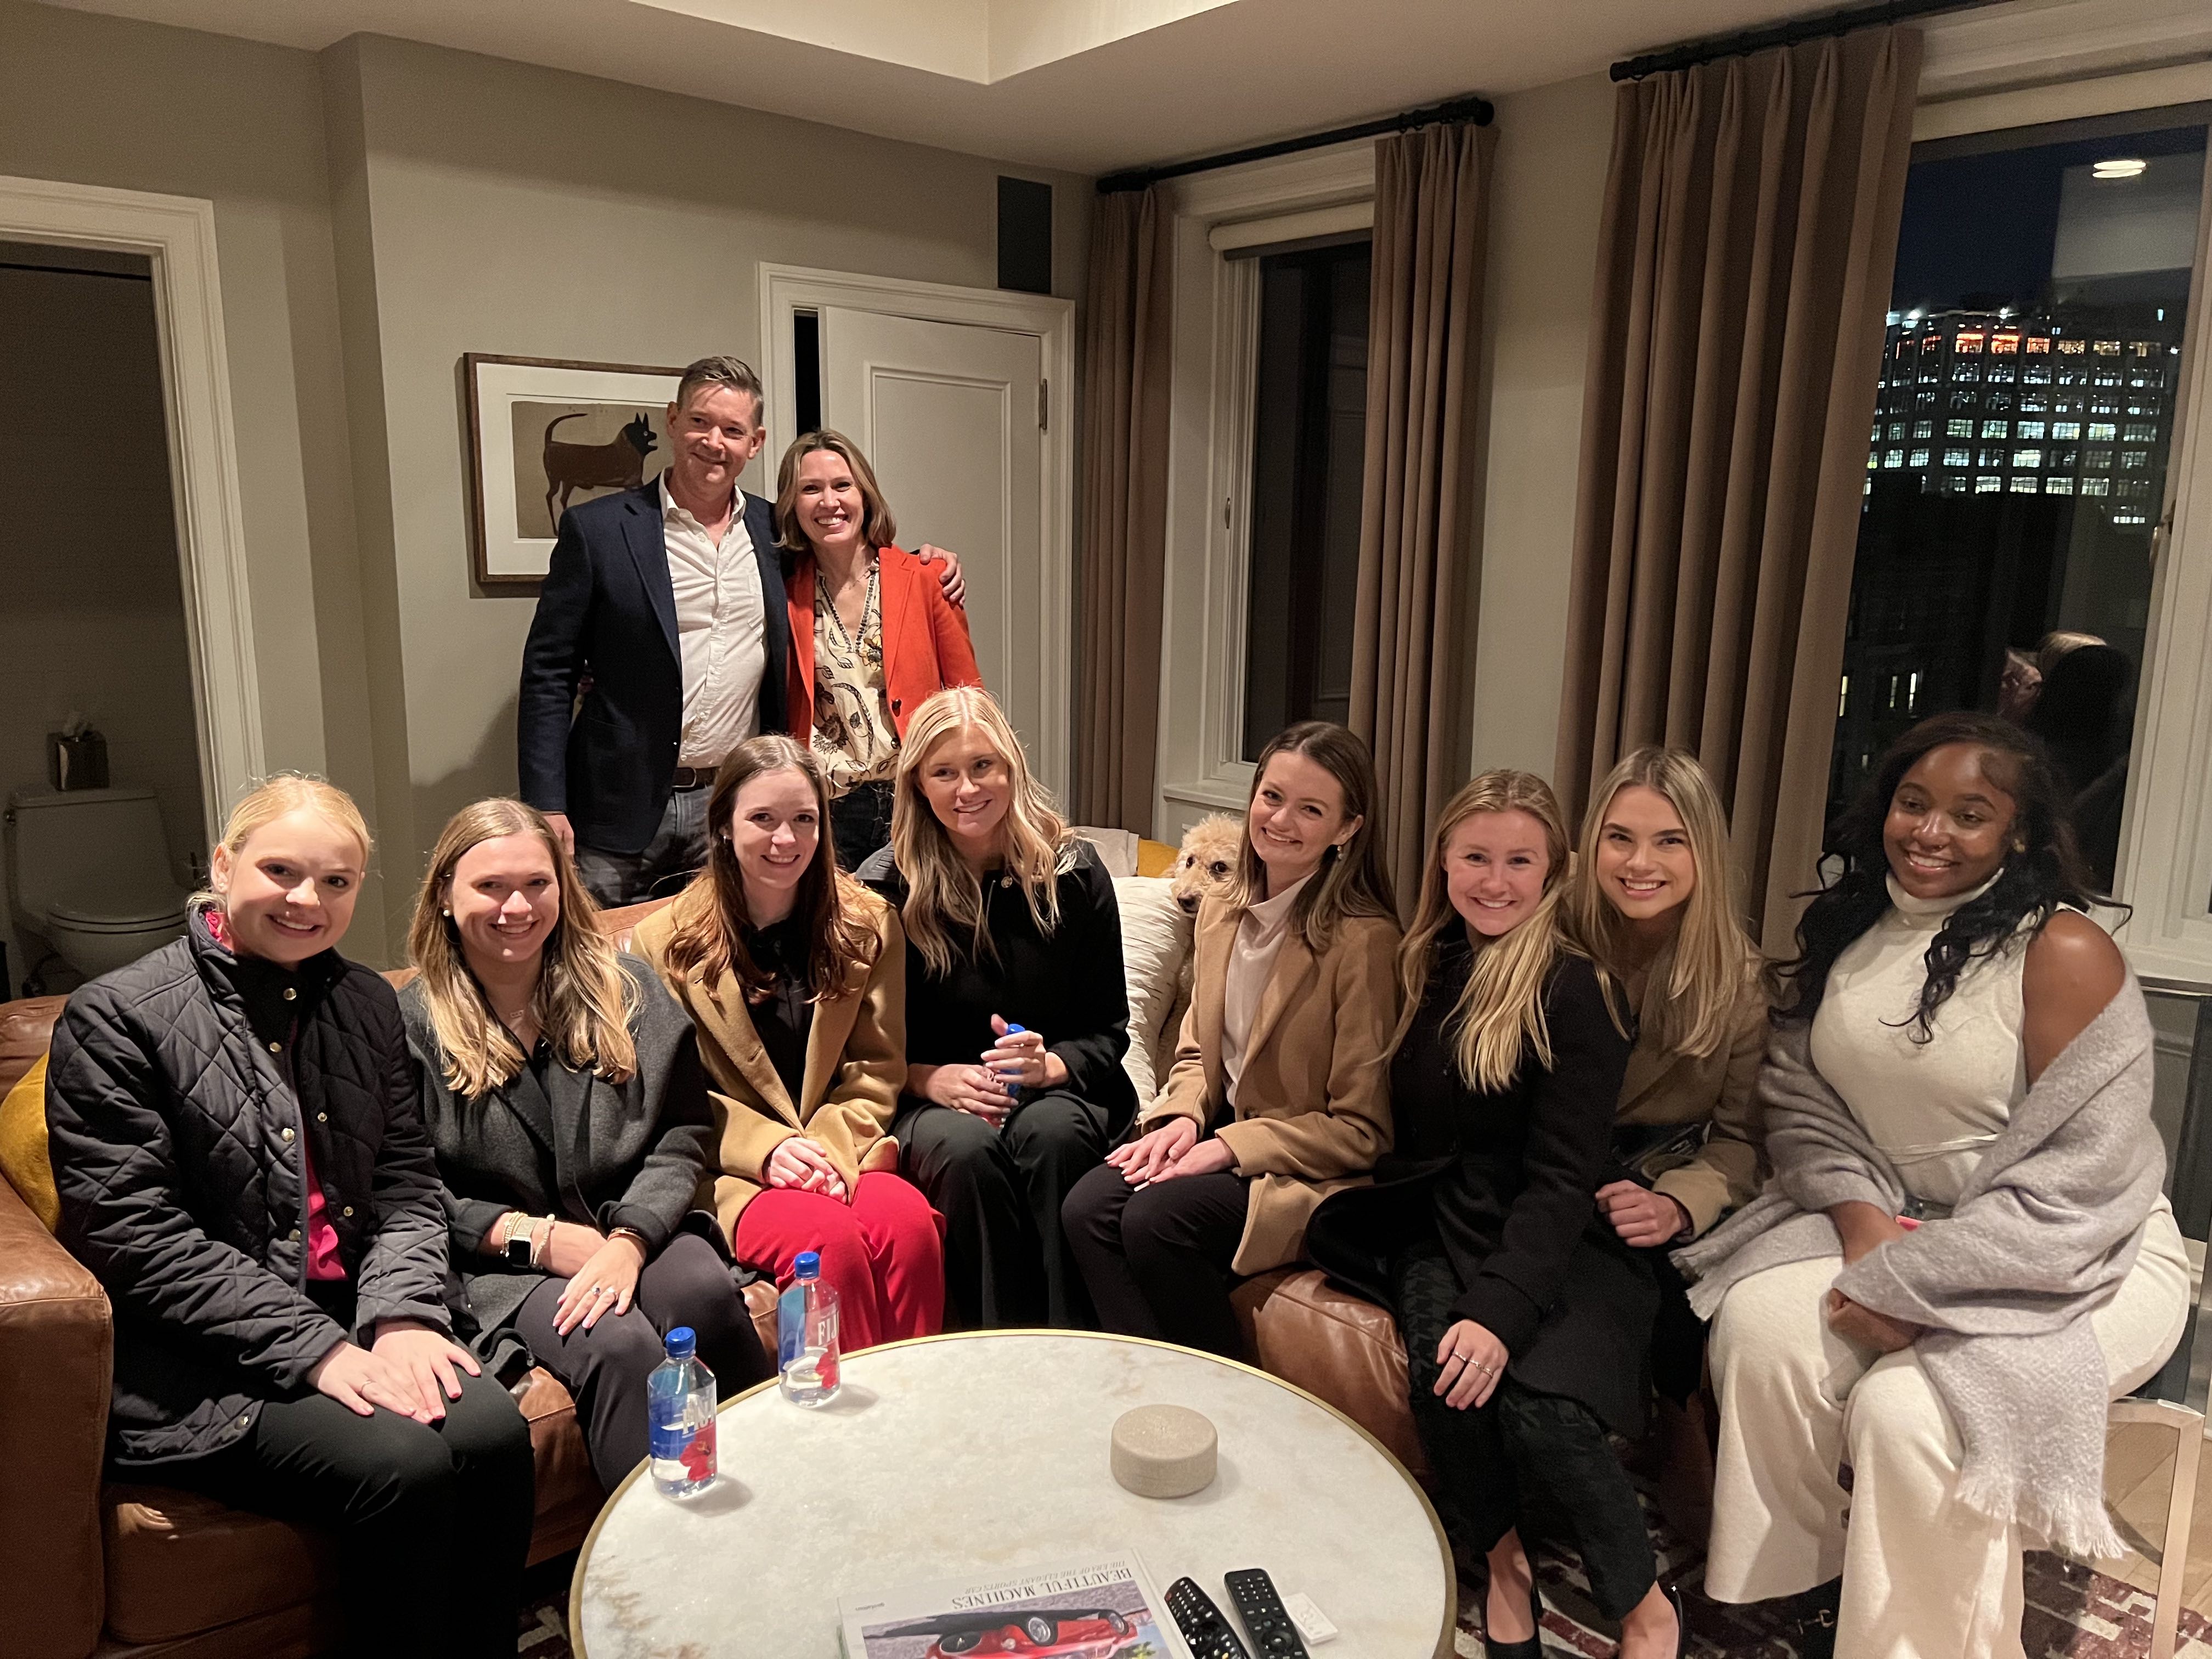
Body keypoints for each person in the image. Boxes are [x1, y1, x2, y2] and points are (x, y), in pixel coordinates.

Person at [1678, 712, 2189, 1659]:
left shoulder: (2064, 951)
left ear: (2019, 834)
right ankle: (1815, 1588)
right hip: (1904, 1226)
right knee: (1760, 1329)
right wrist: (1867, 1230)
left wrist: (1915, 1283)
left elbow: (2080, 1179)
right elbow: (1801, 1103)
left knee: (1908, 1413)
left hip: (2079, 1250)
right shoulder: (1853, 930)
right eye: (1913, 803)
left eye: (1970, 814)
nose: (1930, 831)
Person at [42, 776, 534, 1659]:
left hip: (354, 1315)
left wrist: (402, 1316)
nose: (307, 899)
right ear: (223, 865)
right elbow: (138, 1239)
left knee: (495, 1434)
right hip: (204, 1355)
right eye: (281, 871)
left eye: (336, 881)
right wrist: (318, 1350)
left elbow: (406, 1184)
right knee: (403, 1466)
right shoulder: (117, 1018)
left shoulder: (366, 1004)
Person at [1305, 771, 1683, 1659]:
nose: (1495, 881)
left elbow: (1561, 1179)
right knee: (1447, 1376)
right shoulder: (1426, 964)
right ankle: (1506, 1562)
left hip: (1556, 1233)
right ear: (1443, 859)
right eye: (1476, 857)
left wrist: (1502, 1308)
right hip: (1437, 1222)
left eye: (1519, 861)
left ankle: (1646, 1609)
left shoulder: (1577, 988)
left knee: (1539, 1409)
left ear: (1554, 870)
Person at [398, 798, 773, 1492]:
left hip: (635, 1224)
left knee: (703, 1295)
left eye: (536, 884)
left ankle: (771, 1497)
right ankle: (656, 1547)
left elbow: (681, 1134)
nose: (517, 907)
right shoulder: (408, 1026)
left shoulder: (625, 989)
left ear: (563, 889)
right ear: (445, 896)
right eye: (490, 886)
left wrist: (630, 1241)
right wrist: (536, 1241)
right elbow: (411, 1188)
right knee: (616, 1341)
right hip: (502, 1267)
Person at [518, 358, 966, 905]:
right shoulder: (599, 529)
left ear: (755, 444)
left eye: (732, 430)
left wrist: (927, 563)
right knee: (603, 952)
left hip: (736, 805)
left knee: (728, 949)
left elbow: (851, 559)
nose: (714, 442)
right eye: (700, 422)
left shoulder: (773, 531)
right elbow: (548, 673)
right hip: (617, 809)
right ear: (673, 421)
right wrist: (547, 803)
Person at [1062, 721, 1400, 1359]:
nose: (1281, 820)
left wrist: (1228, 1148)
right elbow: (1195, 1054)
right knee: (1086, 1208)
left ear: (1348, 828)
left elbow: (1362, 1131)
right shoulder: (1221, 910)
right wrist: (1183, 1116)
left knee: (1157, 1221)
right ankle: (1148, 1381)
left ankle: (1227, 1392)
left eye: (1311, 810)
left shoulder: (1365, 942)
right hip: (1220, 1131)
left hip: (1303, 1169)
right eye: (1272, 797)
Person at [632, 733, 944, 1349]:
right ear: (724, 826)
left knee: (910, 1228)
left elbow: (877, 1067)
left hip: (840, 1150)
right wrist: (768, 1150)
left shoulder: (868, 922)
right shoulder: (661, 942)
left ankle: (917, 1398)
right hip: (731, 1169)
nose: (787, 840)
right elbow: (668, 1095)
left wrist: (823, 1150)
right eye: (763, 819)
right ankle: (841, 1408)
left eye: (804, 819)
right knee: (829, 1243)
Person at [857, 686, 1133, 1329]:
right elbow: (859, 1047)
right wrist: (928, 1079)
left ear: (1011, 768)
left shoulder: (1074, 873)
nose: (967, 789)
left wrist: (1052, 1066)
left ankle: (1072, 1345)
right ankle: (993, 1352)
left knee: (1054, 1137)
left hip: (1056, 1091)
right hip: (928, 1098)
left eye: (983, 766)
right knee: (966, 1152)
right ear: (918, 785)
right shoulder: (884, 887)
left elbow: (1108, 1027)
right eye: (944, 773)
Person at [1568, 747, 1770, 1536]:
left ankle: (1677, 1426)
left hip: (1661, 1172)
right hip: (1554, 1157)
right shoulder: (1553, 936)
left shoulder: (1739, 980)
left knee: (1675, 1283)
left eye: (1668, 841)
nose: (1640, 863)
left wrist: (1678, 1205)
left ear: (1703, 852)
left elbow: (1742, 1141)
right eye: (1620, 838)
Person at [777, 430, 984, 868]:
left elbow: (970, 700)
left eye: (842, 485)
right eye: (810, 489)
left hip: (916, 800)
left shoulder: (926, 578)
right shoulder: (782, 591)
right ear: (792, 505)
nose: (829, 502)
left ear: (865, 495)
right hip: (827, 810)